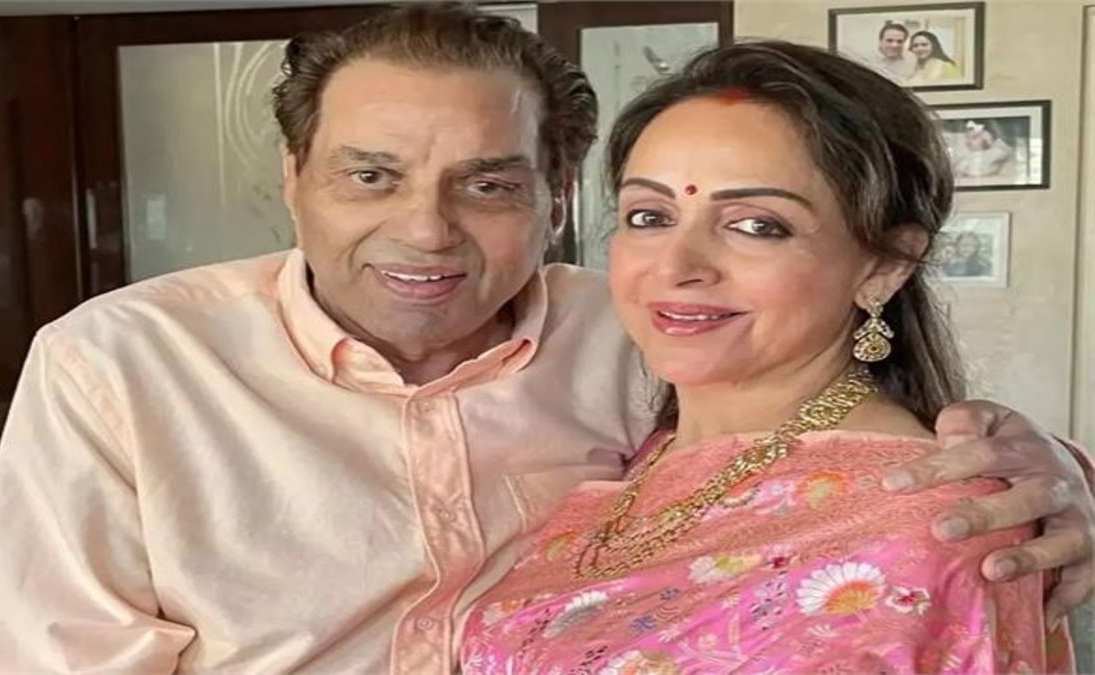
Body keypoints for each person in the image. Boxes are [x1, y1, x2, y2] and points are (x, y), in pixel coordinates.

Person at [0, 5, 1094, 673]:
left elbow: (854, 481)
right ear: (295, 178)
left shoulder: (637, 331)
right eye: (371, 176)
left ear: (554, 201)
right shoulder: (123, 366)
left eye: (489, 183)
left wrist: (1055, 478)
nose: (425, 230)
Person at [461, 41, 1075, 673]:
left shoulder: (941, 524)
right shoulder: (634, 444)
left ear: (886, 265)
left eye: (757, 225)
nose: (676, 266)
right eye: (649, 216)